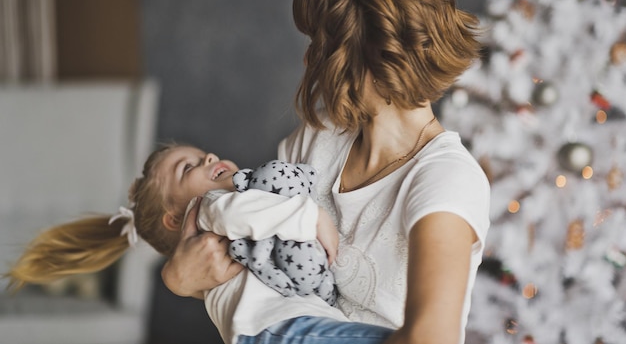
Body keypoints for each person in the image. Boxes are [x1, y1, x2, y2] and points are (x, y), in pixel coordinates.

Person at [161, 0, 491, 344]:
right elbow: (252, 268)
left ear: (373, 48)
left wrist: (187, 284)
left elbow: (432, 337)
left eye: (319, 42)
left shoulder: (445, 180)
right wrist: (179, 279)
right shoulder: (316, 141)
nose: (308, 60)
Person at [5, 143, 394, 344]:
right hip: (279, 332)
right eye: (188, 168)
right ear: (175, 219)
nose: (208, 155)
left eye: (200, 154)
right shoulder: (207, 209)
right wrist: (311, 217)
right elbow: (241, 213)